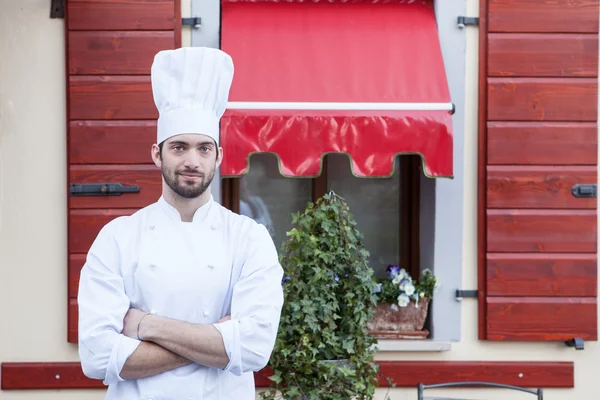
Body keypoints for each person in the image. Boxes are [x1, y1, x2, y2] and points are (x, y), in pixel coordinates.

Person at [77, 46, 284, 400]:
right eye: (179, 147)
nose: (192, 160)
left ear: (218, 156)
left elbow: (252, 349)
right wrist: (215, 341)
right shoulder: (118, 238)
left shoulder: (249, 238)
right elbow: (97, 357)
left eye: (204, 148)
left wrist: (146, 325)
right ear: (157, 153)